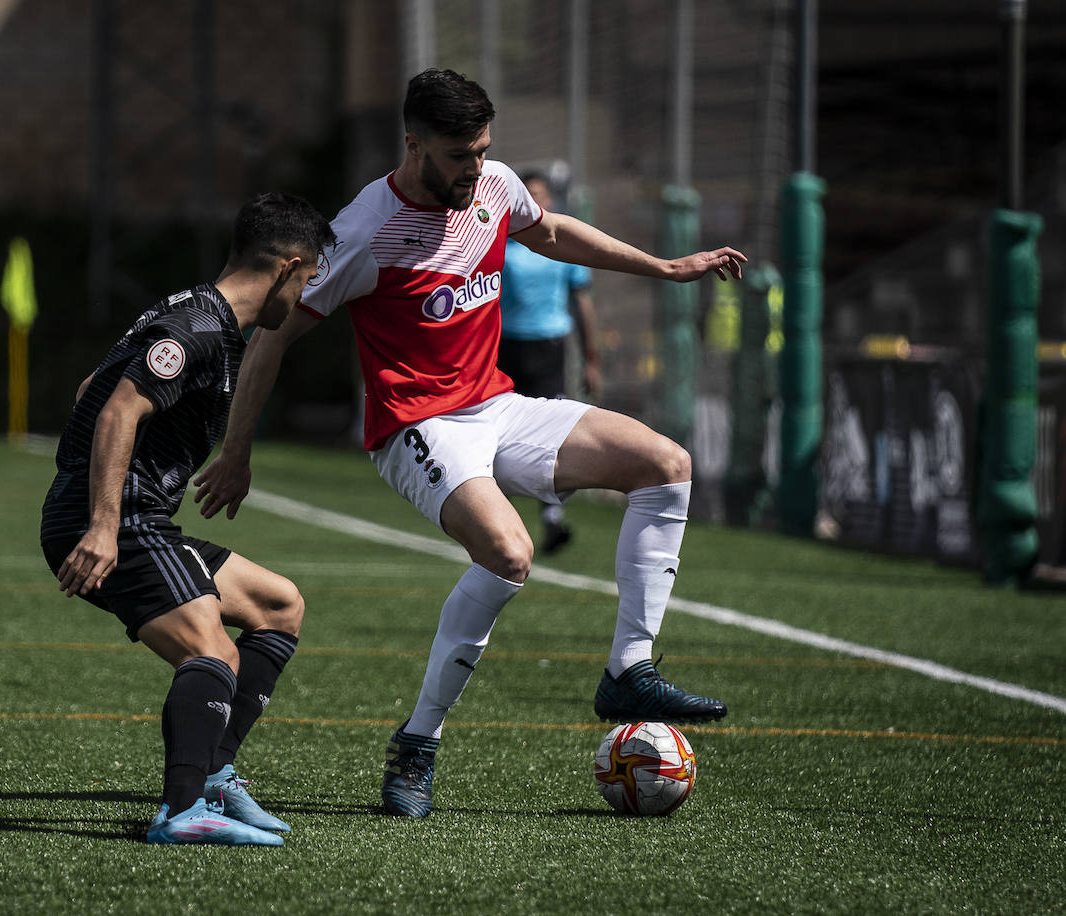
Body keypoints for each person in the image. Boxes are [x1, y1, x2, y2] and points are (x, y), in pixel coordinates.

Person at [194, 69, 744, 819]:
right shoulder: (364, 230)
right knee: (509, 553)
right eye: (459, 155)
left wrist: (662, 266)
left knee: (665, 465)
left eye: (483, 151)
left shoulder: (494, 187)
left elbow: (545, 230)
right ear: (413, 145)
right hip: (414, 424)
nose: (475, 170)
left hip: (495, 404)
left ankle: (630, 669)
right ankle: (417, 745)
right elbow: (274, 336)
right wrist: (237, 451)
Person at [40, 191, 335, 845]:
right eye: (311, 275)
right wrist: (103, 522)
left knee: (278, 605)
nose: (308, 290)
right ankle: (180, 812)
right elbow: (117, 410)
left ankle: (215, 777)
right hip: (119, 523)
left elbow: (91, 388)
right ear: (288, 267)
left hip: (137, 518)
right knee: (214, 649)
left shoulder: (195, 315)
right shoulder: (199, 329)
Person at [498, 169, 600, 554]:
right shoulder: (501, 242)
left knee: (552, 438)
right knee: (500, 435)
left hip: (550, 347)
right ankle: (495, 521)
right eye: (528, 195)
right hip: (505, 346)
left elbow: (583, 303)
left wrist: (593, 359)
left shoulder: (561, 245)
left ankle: (552, 518)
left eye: (540, 194)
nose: (534, 202)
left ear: (551, 201)